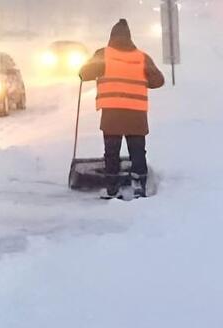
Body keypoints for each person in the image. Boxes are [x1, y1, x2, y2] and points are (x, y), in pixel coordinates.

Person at [80, 19, 164, 199]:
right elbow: (158, 81)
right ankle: (138, 185)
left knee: (112, 151)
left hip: (112, 114)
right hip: (136, 114)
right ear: (129, 38)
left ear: (111, 37)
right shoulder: (142, 57)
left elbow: (83, 73)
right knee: (137, 151)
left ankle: (112, 188)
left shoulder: (103, 54)